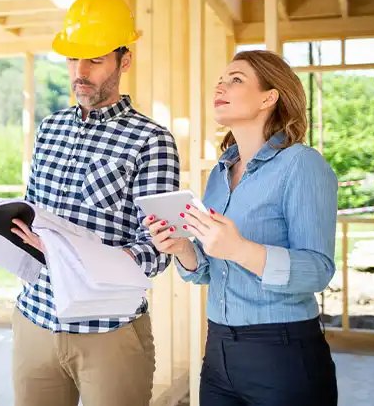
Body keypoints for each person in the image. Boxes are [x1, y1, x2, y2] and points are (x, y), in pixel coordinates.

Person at [0, 0, 181, 406]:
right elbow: (31, 224)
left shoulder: (151, 141)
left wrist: (74, 254)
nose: (79, 71)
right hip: (35, 321)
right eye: (72, 58)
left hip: (110, 334)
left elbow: (158, 252)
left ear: (125, 60)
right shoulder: (50, 130)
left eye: (95, 59)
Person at [145, 50, 339, 405]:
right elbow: (208, 270)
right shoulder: (219, 175)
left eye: (236, 79)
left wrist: (239, 249)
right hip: (218, 351)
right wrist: (182, 249)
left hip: (283, 354)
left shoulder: (301, 164)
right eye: (221, 79)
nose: (221, 86)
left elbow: (318, 270)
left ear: (269, 96)